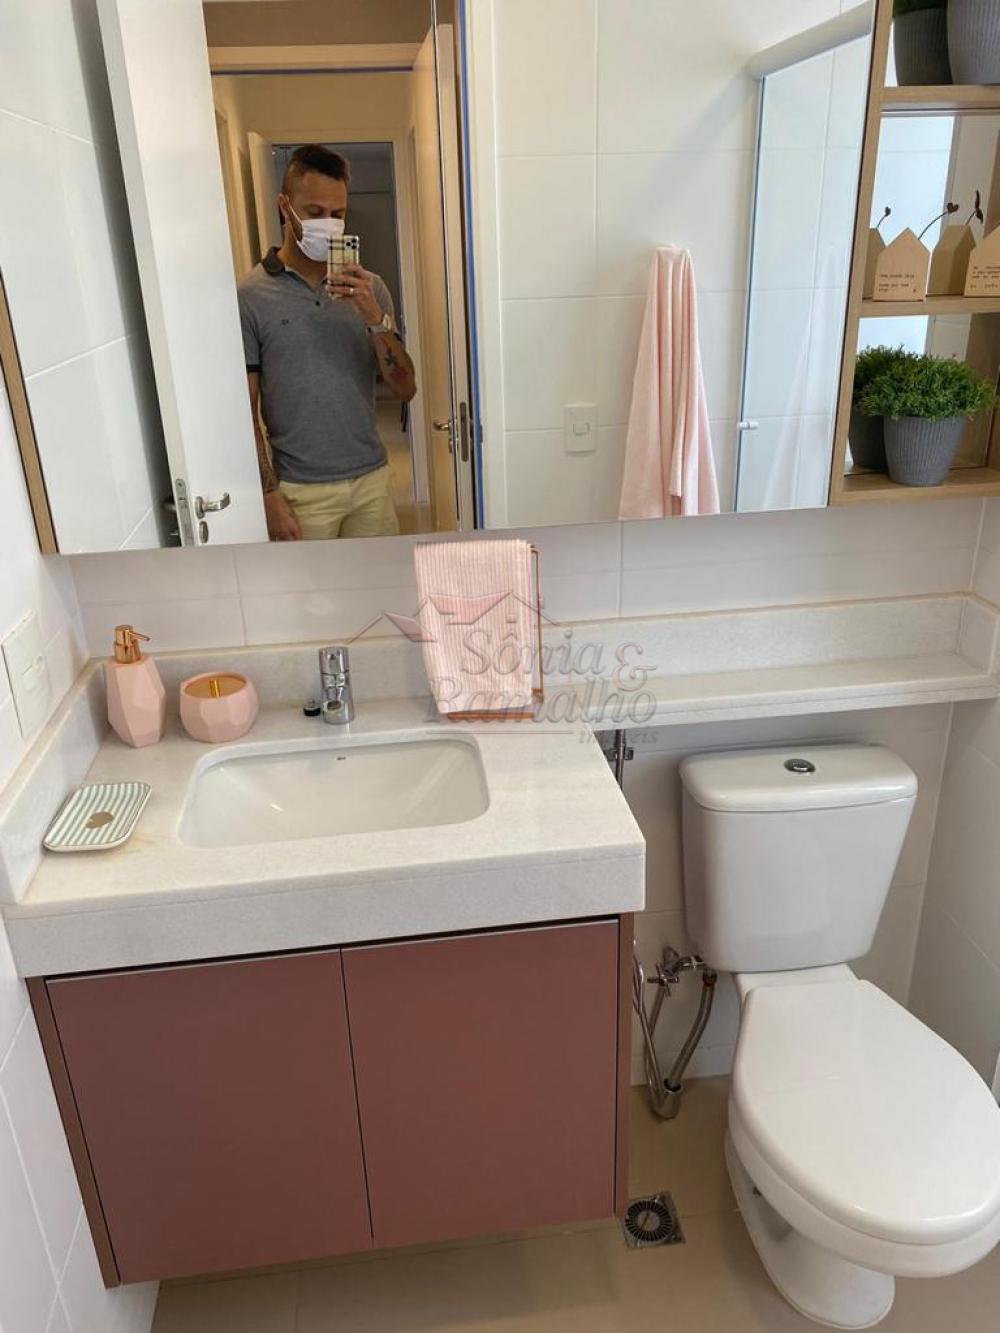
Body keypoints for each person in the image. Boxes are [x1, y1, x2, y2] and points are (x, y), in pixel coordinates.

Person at [237, 144, 417, 541]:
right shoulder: (251, 296)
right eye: (315, 212)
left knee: (378, 578)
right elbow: (244, 408)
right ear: (285, 206)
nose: (328, 224)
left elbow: (406, 389)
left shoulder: (371, 288)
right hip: (300, 490)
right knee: (309, 585)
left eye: (337, 214)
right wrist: (269, 496)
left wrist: (375, 320)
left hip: (371, 481)